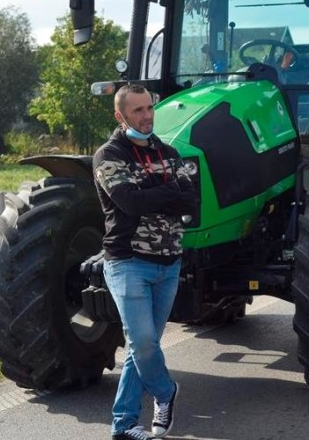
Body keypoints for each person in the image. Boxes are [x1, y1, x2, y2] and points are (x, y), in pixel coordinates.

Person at [93, 84, 197, 440]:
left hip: (168, 264)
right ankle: (166, 392)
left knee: (144, 346)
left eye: (149, 108)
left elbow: (192, 205)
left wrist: (152, 194)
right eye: (137, 111)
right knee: (142, 342)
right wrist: (171, 194)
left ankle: (123, 425)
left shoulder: (169, 152)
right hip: (128, 262)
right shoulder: (109, 156)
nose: (147, 116)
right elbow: (129, 204)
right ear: (120, 116)